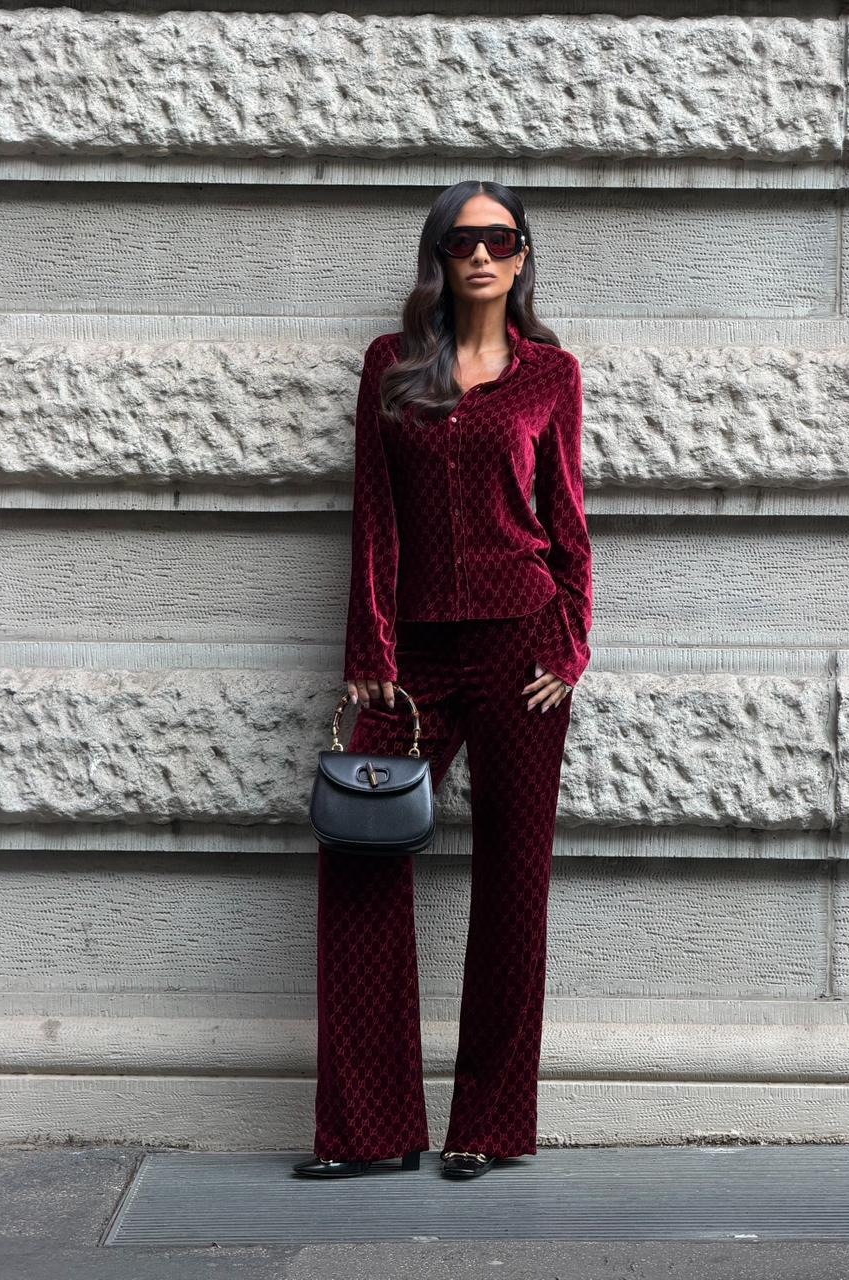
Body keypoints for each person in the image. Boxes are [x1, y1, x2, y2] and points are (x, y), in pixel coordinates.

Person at [294, 179, 593, 1182]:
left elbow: (567, 523)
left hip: (520, 650)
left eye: (500, 239)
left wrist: (569, 647)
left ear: (521, 256)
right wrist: (370, 660)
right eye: (463, 240)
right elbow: (373, 521)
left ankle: (489, 1125)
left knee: (514, 883)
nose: (482, 256)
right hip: (410, 659)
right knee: (359, 862)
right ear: (439, 256)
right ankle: (369, 1130)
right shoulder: (393, 366)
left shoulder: (551, 376)